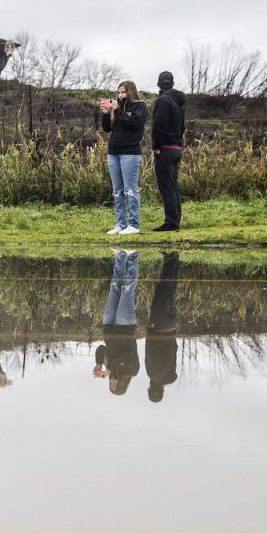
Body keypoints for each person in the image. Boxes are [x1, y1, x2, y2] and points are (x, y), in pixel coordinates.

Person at [100, 81, 148, 235]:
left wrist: (118, 111)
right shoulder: (117, 108)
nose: (120, 95)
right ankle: (121, 224)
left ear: (131, 92)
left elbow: (134, 124)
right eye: (119, 92)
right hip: (113, 152)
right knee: (117, 191)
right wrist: (106, 114)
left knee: (130, 190)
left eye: (123, 92)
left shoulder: (140, 106)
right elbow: (107, 128)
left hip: (130, 153)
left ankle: (133, 225)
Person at [100, 250, 140, 395]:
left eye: (110, 383)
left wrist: (100, 364)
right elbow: (126, 355)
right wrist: (113, 365)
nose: (112, 381)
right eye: (114, 384)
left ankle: (120, 255)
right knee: (127, 289)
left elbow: (100, 348)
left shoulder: (110, 367)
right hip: (125, 326)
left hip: (108, 326)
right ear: (122, 385)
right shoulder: (132, 370)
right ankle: (133, 256)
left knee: (115, 286)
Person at [151, 71, 187, 231]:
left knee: (166, 187)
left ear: (159, 84)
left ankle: (171, 222)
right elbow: (182, 127)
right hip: (177, 148)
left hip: (164, 149)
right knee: (173, 186)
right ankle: (175, 220)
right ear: (172, 83)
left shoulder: (162, 101)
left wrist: (156, 146)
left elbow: (159, 125)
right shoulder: (180, 102)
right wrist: (178, 142)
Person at [145, 251, 180, 402]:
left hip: (171, 327)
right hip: (159, 325)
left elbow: (174, 350)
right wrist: (149, 329)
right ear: (151, 389)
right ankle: (169, 257)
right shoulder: (153, 374)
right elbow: (150, 349)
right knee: (163, 288)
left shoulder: (170, 375)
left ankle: (175, 258)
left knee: (171, 289)